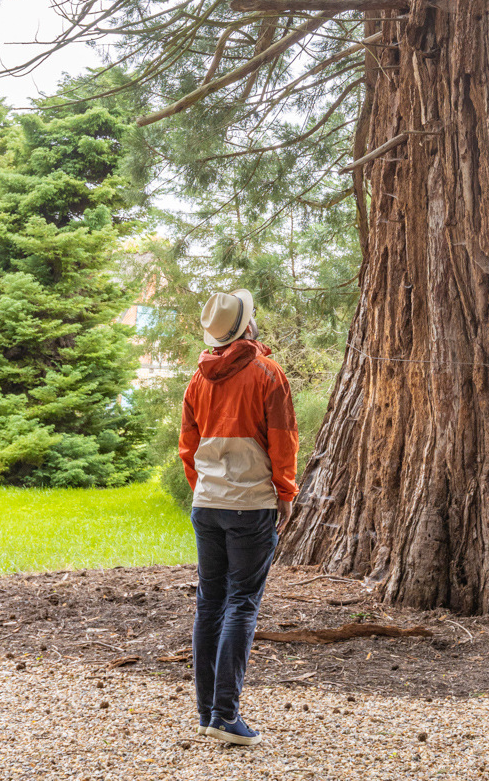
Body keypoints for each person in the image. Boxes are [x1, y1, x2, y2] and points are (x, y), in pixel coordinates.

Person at [179, 287, 299, 747]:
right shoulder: (268, 374)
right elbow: (283, 440)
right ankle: (225, 716)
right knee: (241, 604)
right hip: (250, 507)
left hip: (207, 505)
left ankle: (207, 712)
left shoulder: (197, 380)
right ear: (248, 326)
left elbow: (188, 449)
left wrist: (206, 491)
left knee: (210, 603)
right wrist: (285, 492)